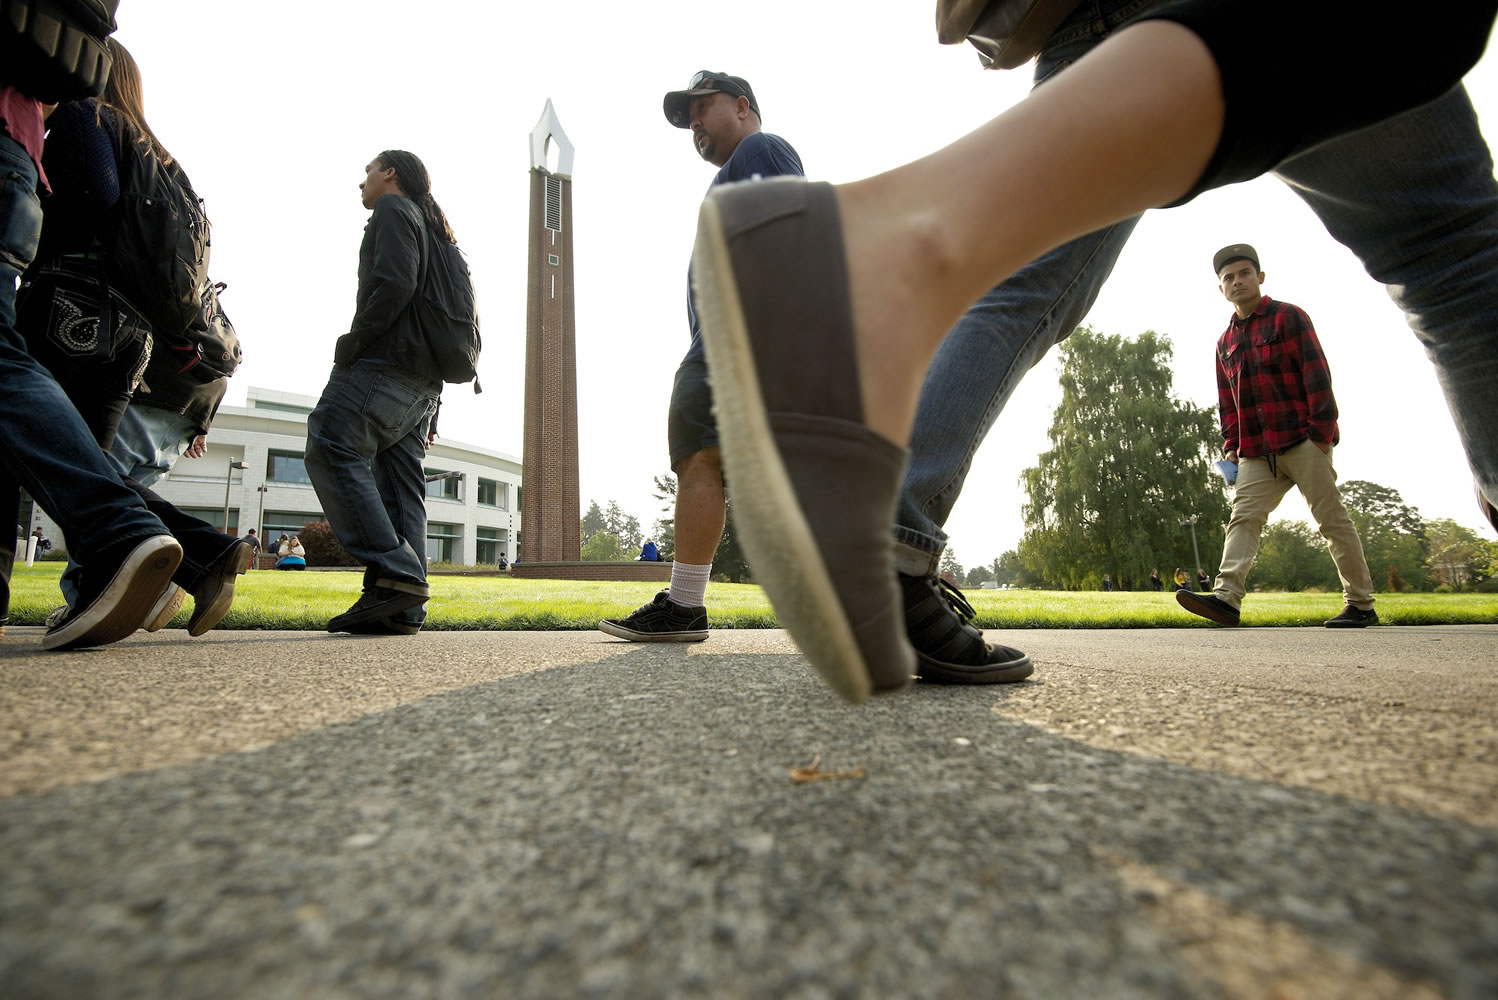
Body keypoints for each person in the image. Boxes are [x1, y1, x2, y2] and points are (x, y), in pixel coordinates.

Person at [689, 4, 1495, 701]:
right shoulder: (1235, 333)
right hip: (1194, 32)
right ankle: (910, 242)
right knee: (1451, 245)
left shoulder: (1275, 321)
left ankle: (885, 521)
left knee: (1026, 280)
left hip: (1097, 20)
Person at [599, 72, 803, 644]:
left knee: (701, 459)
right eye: (687, 117)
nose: (693, 124)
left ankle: (685, 606)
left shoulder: (762, 149)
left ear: (742, 106)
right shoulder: (739, 169)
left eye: (701, 108)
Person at [0, 69, 188, 650]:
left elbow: (96, 195)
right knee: (80, 450)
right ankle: (125, 578)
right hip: (131, 326)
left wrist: (42, 218)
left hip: (75, 305)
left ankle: (124, 543)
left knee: (16, 425)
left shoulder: (89, 116)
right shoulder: (153, 147)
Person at [1174, 246, 1377, 628]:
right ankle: (1226, 600)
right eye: (1229, 278)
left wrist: (1320, 434)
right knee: (1243, 519)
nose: (1238, 281)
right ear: (1221, 289)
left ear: (1260, 277)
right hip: (1253, 452)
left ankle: (1361, 605)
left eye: (1245, 273)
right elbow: (1227, 402)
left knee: (1331, 521)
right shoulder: (1224, 343)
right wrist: (1231, 446)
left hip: (1302, 440)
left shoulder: (1289, 317)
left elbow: (1317, 374)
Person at [305, 150, 451, 637]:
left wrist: (353, 342)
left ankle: (396, 574)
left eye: (368, 171)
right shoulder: (435, 229)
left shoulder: (394, 209)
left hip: (385, 364)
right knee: (400, 489)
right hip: (422, 383)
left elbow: (394, 284)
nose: (361, 181)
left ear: (389, 173)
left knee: (331, 442)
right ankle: (402, 607)